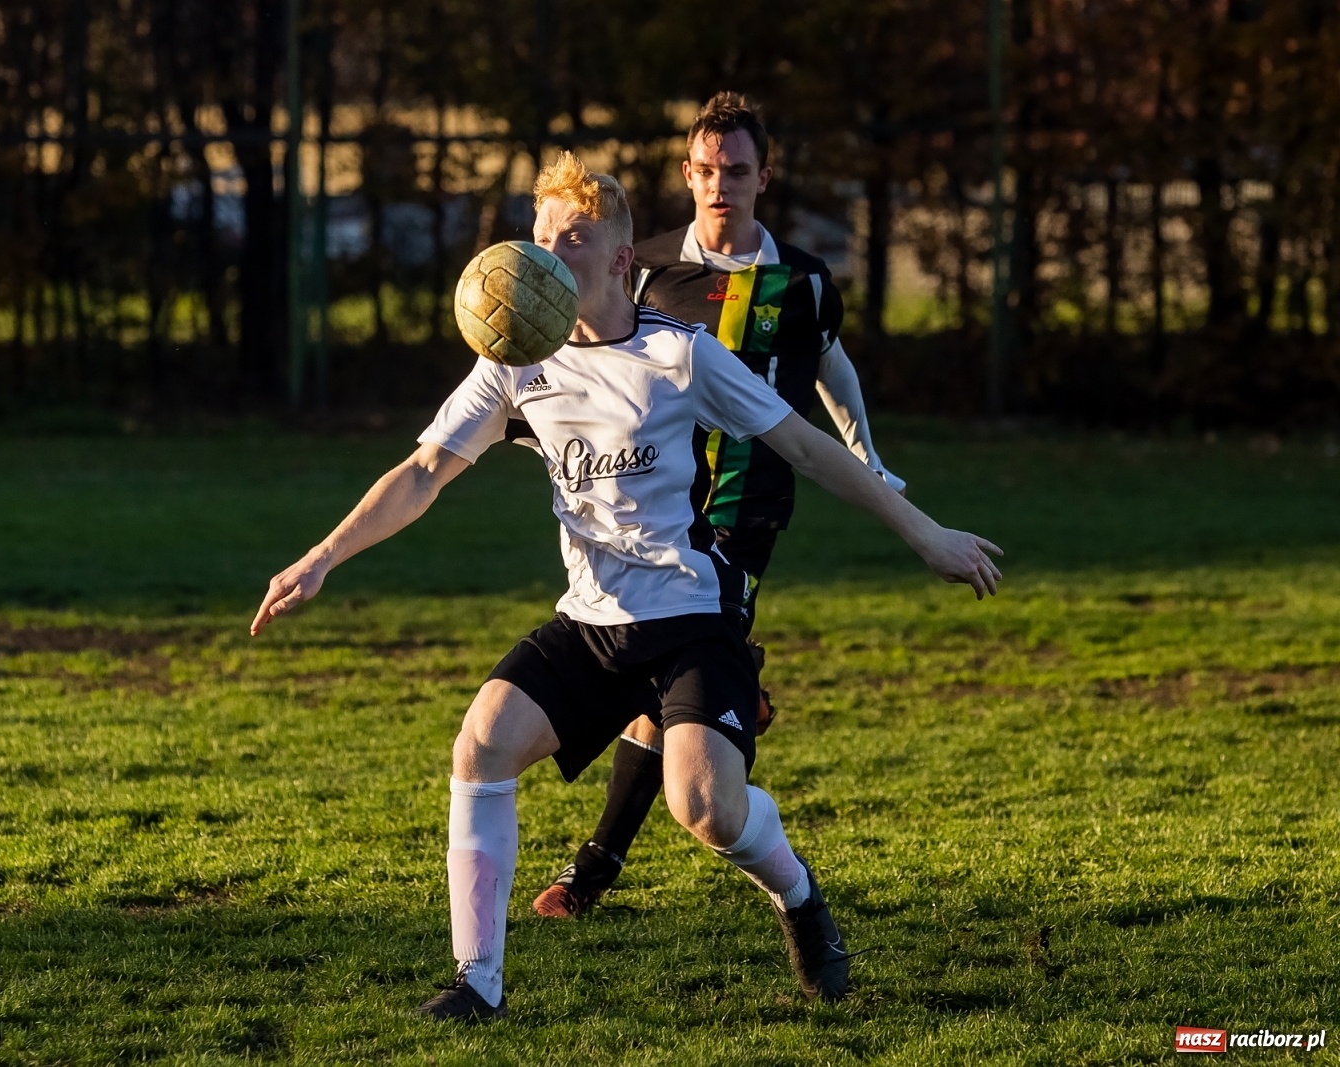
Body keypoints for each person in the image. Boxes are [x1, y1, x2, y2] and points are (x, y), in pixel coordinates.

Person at [250, 151, 1002, 1022]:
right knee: (482, 743)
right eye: (538, 239)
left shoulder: (679, 356)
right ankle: (477, 983)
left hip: (691, 618)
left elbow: (803, 444)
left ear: (618, 260)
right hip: (590, 622)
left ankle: (798, 894)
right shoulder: (513, 366)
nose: (546, 256)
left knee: (707, 810)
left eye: (572, 239)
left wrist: (925, 532)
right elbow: (423, 472)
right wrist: (321, 556)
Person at [533, 91, 906, 919]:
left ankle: (593, 868)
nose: (719, 185)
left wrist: (866, 453)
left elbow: (828, 365)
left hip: (745, 509)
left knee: (661, 679)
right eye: (705, 169)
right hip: (656, 504)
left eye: (736, 170)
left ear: (762, 176)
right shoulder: (648, 264)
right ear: (686, 173)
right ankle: (735, 685)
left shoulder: (803, 282)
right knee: (661, 681)